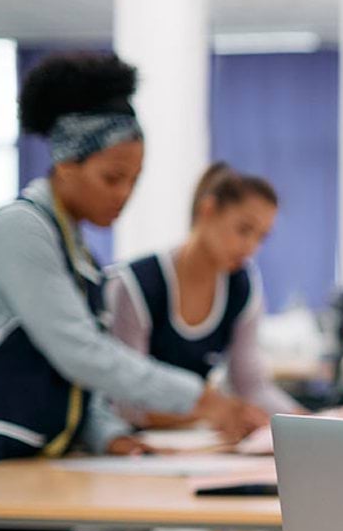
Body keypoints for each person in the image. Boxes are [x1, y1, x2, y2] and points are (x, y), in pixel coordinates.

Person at [0, 52, 260, 531]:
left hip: (28, 472)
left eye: (134, 180)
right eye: (112, 178)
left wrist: (110, 436)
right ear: (65, 164)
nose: (124, 196)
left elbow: (71, 379)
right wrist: (201, 398)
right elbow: (82, 353)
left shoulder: (78, 254)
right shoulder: (20, 230)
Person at [107, 162, 302, 427]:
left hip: (194, 446)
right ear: (207, 210)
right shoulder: (137, 285)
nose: (251, 247)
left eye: (261, 237)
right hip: (126, 446)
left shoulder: (241, 286)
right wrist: (208, 411)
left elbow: (252, 386)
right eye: (244, 230)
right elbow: (125, 403)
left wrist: (307, 422)